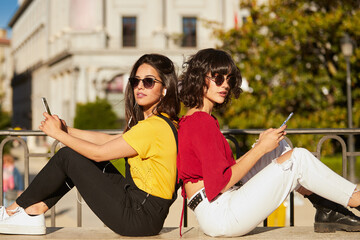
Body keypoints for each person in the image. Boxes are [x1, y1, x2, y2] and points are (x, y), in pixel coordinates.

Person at [177, 48, 360, 237]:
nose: (225, 85)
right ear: (199, 78)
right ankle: (355, 198)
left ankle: (327, 209)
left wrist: (262, 147)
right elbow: (221, 183)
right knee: (298, 159)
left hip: (217, 206)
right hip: (220, 213)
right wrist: (260, 149)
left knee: (278, 148)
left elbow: (224, 172)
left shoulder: (199, 118)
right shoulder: (200, 122)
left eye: (229, 79)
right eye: (218, 78)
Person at [0, 53, 180, 236]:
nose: (140, 86)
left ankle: (10, 212)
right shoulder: (161, 123)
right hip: (145, 212)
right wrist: (66, 130)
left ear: (165, 88)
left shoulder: (153, 127)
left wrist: (57, 134)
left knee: (68, 156)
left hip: (139, 216)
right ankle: (35, 210)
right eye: (136, 81)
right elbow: (109, 141)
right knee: (76, 156)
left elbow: (99, 153)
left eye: (148, 81)